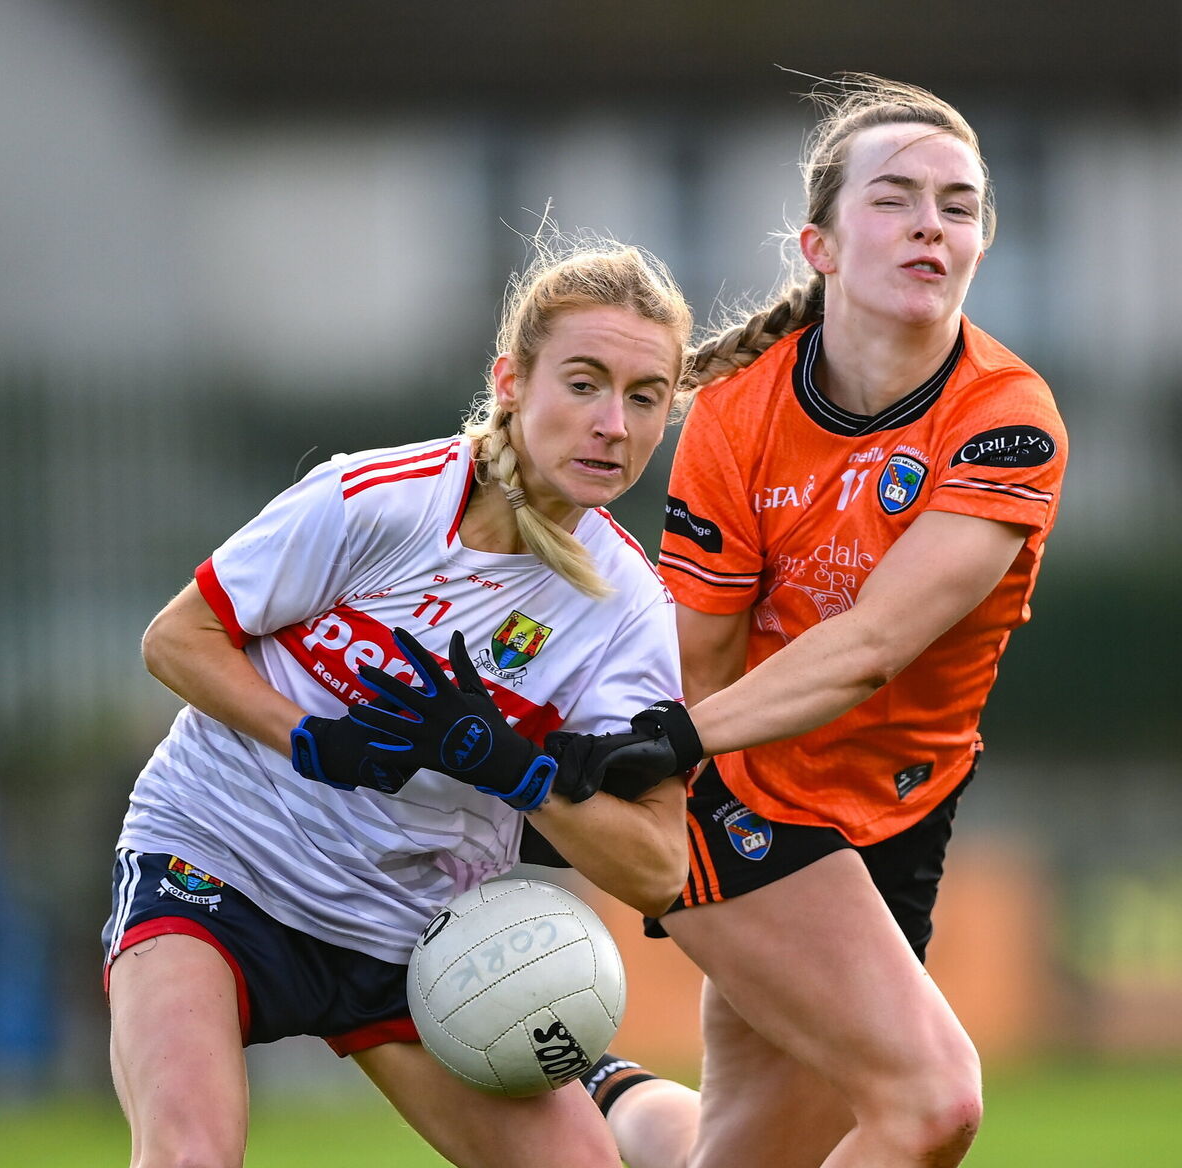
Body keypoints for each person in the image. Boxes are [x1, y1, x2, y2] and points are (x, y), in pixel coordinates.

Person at [381, 74, 1068, 1168]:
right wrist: (632, 774)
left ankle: (614, 1100)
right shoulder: (742, 412)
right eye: (894, 197)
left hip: (896, 817)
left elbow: (879, 642)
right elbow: (691, 660)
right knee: (934, 1105)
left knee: (754, 1154)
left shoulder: (1008, 420)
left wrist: (681, 733)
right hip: (739, 794)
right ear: (821, 245)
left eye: (960, 202)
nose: (932, 222)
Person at [100, 236, 699, 1168]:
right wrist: (314, 741)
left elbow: (660, 868)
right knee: (189, 1156)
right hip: (218, 864)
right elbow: (177, 640)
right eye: (584, 383)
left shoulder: (627, 614)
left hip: (412, 935)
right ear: (511, 382)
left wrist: (521, 770)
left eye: (645, 396)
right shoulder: (375, 500)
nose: (614, 423)